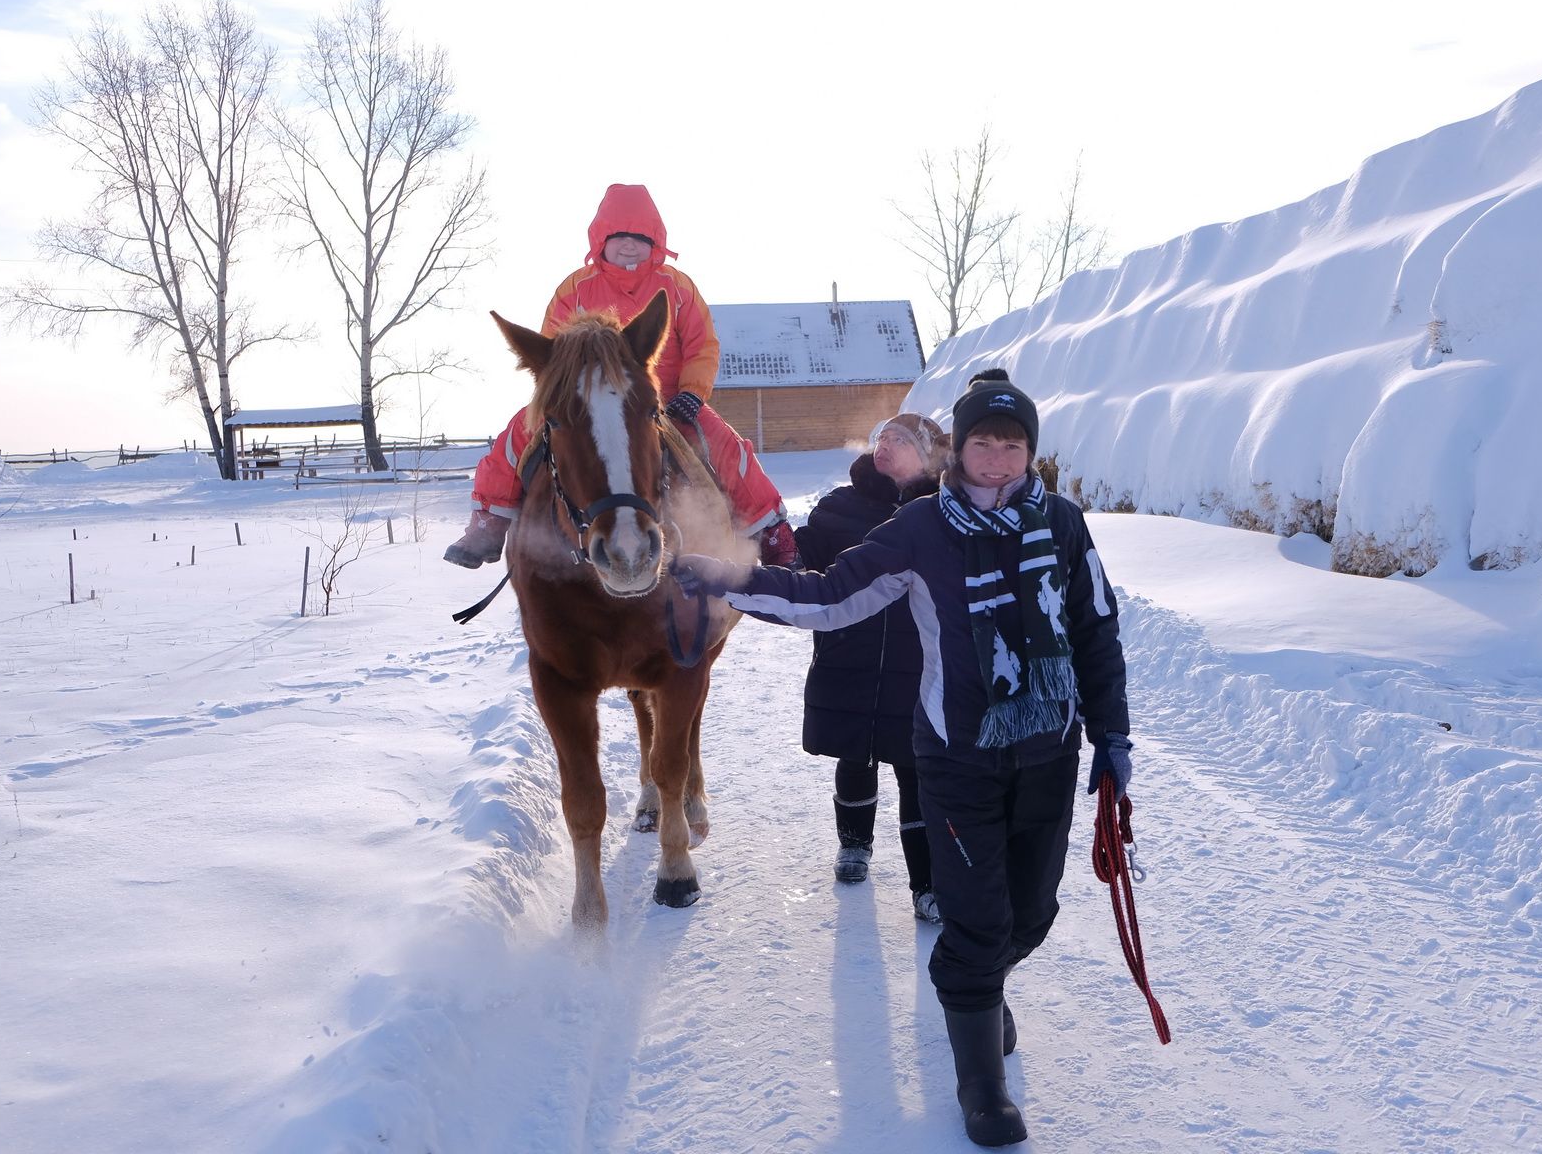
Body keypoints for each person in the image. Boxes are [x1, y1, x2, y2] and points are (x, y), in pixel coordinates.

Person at [673, 369, 1132, 1148]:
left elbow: (1095, 632)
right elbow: (830, 592)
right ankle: (981, 1083)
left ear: (1031, 452)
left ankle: (982, 989)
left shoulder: (1061, 523)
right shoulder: (922, 527)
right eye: (983, 443)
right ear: (960, 450)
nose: (997, 460)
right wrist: (732, 581)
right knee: (979, 920)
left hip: (1049, 754)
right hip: (956, 761)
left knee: (1032, 912)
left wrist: (1111, 738)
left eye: (1012, 445)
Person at [445, 183, 800, 570]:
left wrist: (693, 393)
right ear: (600, 241)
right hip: (585, 397)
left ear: (657, 243)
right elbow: (550, 348)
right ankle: (489, 520)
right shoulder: (575, 288)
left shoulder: (677, 287)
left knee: (724, 442)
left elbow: (702, 343)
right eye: (619, 237)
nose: (629, 246)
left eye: (640, 238)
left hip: (662, 397)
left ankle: (771, 530)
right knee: (518, 432)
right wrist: (561, 391)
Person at [796, 412, 949, 923]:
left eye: (901, 440)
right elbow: (802, 560)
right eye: (883, 437)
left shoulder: (940, 513)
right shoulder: (839, 507)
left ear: (927, 455)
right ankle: (854, 847)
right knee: (855, 754)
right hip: (849, 655)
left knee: (916, 771)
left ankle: (927, 886)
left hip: (917, 663)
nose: (886, 446)